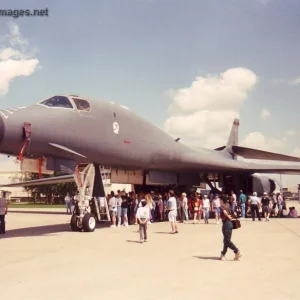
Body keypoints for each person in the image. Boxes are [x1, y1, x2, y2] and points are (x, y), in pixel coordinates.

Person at [219, 195, 242, 261]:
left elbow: (224, 212)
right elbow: (234, 212)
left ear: (222, 200)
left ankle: (237, 251)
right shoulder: (228, 205)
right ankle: (223, 254)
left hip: (226, 223)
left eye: (219, 200)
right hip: (230, 224)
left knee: (227, 240)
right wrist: (231, 217)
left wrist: (228, 217)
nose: (219, 201)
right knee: (226, 240)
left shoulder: (222, 205)